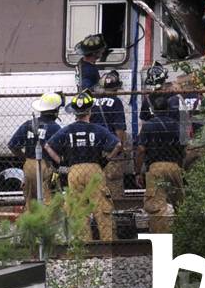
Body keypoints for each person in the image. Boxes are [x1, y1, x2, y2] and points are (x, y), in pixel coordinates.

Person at [45, 91, 122, 241]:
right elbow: (118, 144)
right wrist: (106, 159)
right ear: (90, 110)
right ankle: (108, 242)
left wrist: (61, 162)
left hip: (74, 171)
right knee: (102, 207)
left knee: (79, 208)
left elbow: (48, 146)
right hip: (94, 169)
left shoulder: (67, 130)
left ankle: (85, 244)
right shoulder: (98, 129)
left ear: (74, 112)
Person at [136, 92, 186, 233]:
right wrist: (181, 167)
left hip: (155, 167)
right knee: (181, 203)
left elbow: (140, 149)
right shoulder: (177, 126)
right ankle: (185, 235)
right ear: (168, 109)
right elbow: (184, 147)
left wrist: (138, 171)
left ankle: (161, 238)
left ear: (153, 110)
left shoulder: (148, 126)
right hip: (174, 165)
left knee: (157, 206)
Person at [8, 92, 63, 210]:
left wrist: (25, 159)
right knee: (50, 201)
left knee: (30, 202)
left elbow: (12, 145)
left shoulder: (28, 124)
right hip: (46, 166)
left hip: (29, 166)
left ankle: (29, 226)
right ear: (55, 111)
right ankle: (49, 226)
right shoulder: (55, 127)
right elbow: (62, 150)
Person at [91, 70, 127, 202]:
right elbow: (119, 128)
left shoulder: (93, 101)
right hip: (112, 147)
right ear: (116, 88)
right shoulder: (116, 101)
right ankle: (115, 212)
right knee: (114, 182)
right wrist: (121, 146)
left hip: (95, 148)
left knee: (98, 184)